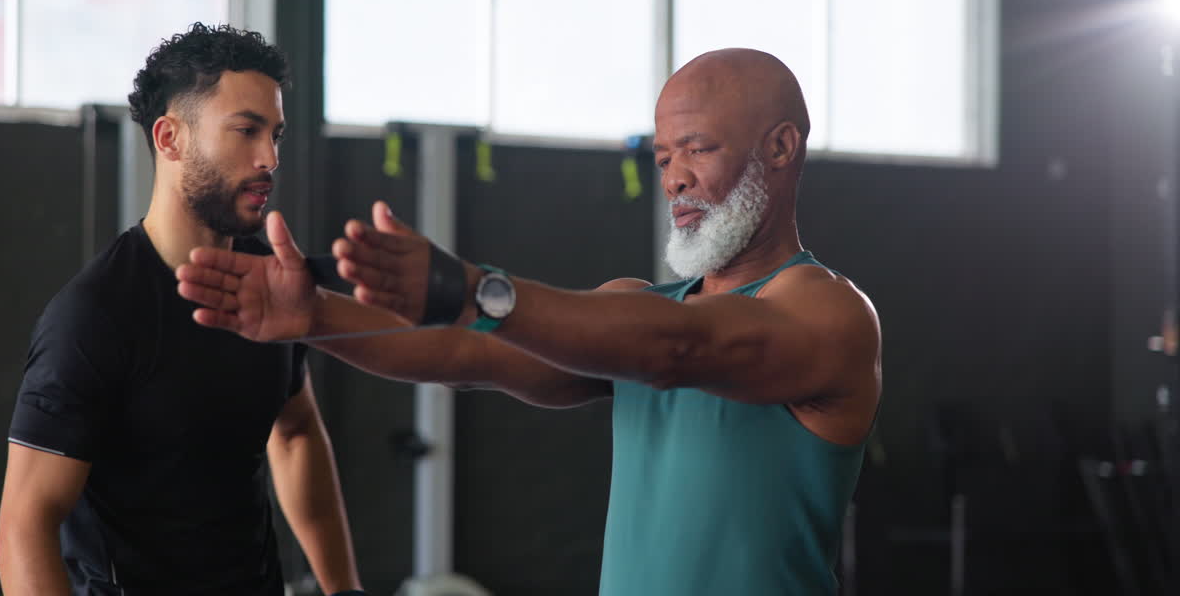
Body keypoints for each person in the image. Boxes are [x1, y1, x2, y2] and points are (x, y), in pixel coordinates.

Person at [176, 48, 881, 595]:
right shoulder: (641, 306)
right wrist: (316, 318)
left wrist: (471, 289)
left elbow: (680, 351)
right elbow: (466, 355)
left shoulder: (826, 310)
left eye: (699, 148)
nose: (674, 179)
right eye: (664, 157)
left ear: (781, 147)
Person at [0, 23, 363, 596]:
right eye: (247, 130)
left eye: (276, 134)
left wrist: (345, 589)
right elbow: (25, 525)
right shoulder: (94, 316)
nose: (269, 156)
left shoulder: (267, 280)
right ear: (170, 138)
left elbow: (294, 434)